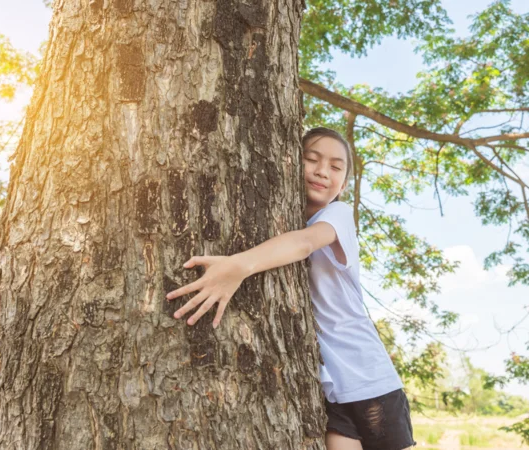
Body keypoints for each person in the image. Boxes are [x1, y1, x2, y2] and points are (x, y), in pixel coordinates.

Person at [165, 127, 415, 450]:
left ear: (344, 183)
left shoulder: (338, 216)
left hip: (369, 378)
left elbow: (304, 244)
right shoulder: (288, 219)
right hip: (332, 388)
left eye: (336, 167)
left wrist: (238, 266)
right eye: (311, 159)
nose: (322, 171)